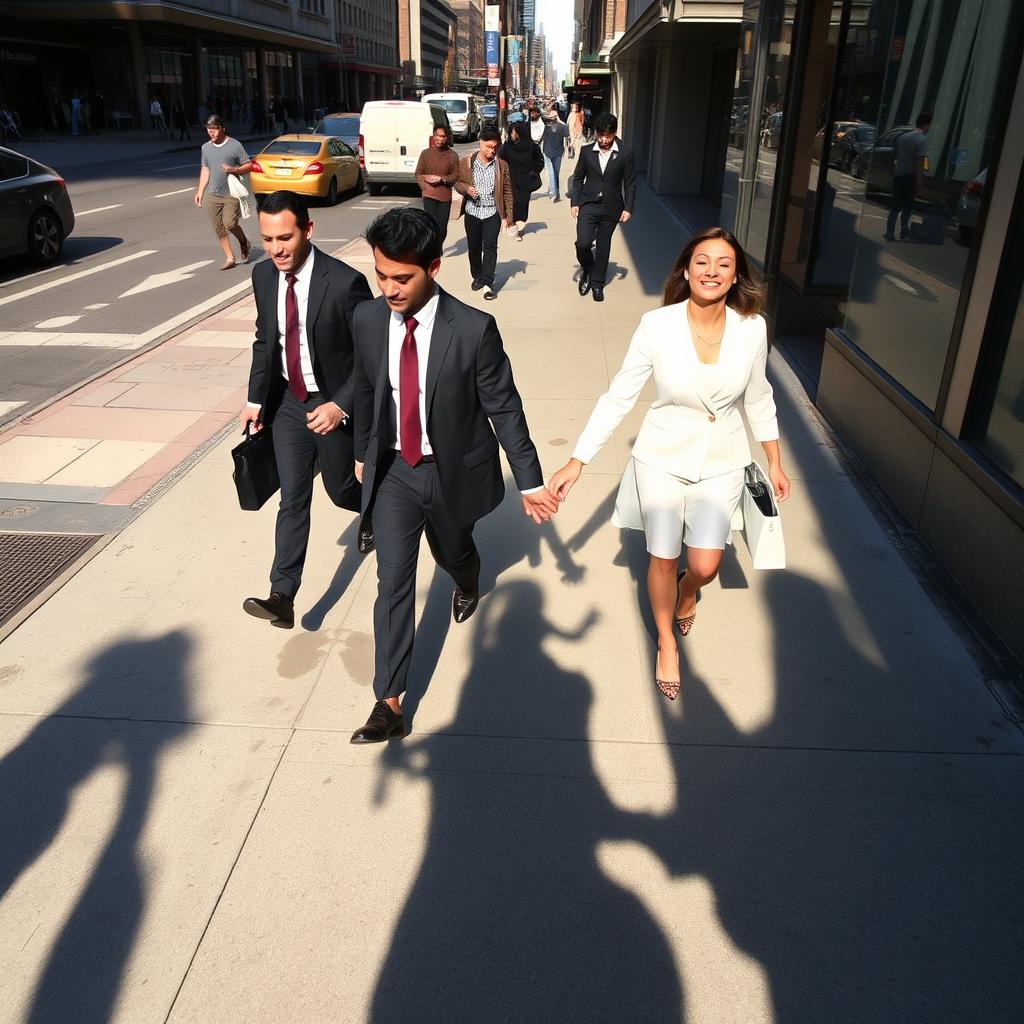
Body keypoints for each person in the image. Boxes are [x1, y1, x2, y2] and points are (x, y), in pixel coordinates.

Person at [549, 227, 791, 700]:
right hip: (660, 457)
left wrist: (774, 460)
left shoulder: (752, 327)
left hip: (722, 458)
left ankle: (687, 591)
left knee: (705, 563)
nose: (712, 272)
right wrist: (578, 460)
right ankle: (666, 643)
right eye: (702, 262)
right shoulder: (656, 325)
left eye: (723, 264)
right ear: (686, 268)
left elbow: (759, 397)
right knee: (663, 554)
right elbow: (620, 394)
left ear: (736, 273)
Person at [349, 207, 559, 743]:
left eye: (402, 277)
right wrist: (361, 453)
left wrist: (529, 480)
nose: (389, 289)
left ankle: (467, 578)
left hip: (451, 475)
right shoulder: (369, 321)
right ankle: (389, 702)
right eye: (381, 275)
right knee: (392, 581)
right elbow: (369, 390)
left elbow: (504, 409)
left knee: (454, 551)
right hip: (395, 470)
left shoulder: (472, 329)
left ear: (434, 267)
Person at [239, 191, 375, 629]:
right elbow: (267, 341)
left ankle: (385, 509)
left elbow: (373, 357)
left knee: (341, 492)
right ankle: (283, 593)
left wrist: (340, 405)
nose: (276, 249)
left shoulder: (344, 282)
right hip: (289, 408)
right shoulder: (263, 276)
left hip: (330, 404)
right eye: (267, 239)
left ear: (308, 230)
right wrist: (255, 399)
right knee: (292, 498)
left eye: (285, 237)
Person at [569, 111, 636, 303]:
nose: (604, 140)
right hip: (588, 204)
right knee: (582, 243)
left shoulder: (625, 152)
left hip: (612, 207)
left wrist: (628, 208)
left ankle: (597, 284)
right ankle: (588, 268)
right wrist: (575, 202)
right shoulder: (587, 151)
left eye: (608, 136)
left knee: (604, 245)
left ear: (614, 133)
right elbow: (578, 178)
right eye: (601, 136)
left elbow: (630, 183)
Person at [454, 127, 513, 300]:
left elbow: (507, 192)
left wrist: (507, 217)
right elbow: (457, 183)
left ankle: (487, 282)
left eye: (494, 147)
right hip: (472, 212)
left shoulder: (501, 166)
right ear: (480, 144)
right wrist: (466, 189)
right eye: (488, 146)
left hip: (491, 212)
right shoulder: (466, 162)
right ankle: (477, 275)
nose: (491, 150)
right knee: (474, 248)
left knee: (490, 247)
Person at [194, 114, 253, 270]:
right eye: (209, 129)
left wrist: (235, 169)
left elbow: (249, 165)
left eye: (215, 128)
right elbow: (205, 168)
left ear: (223, 128)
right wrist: (200, 190)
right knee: (218, 227)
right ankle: (229, 257)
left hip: (230, 194)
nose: (211, 132)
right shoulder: (205, 148)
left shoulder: (234, 145)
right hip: (212, 194)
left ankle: (243, 241)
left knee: (230, 223)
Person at [886, 113, 931, 242]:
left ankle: (890, 232)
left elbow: (896, 157)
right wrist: (919, 181)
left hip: (899, 174)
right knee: (908, 205)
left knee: (895, 205)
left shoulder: (903, 137)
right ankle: (904, 229)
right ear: (926, 125)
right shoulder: (921, 139)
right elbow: (919, 162)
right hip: (910, 176)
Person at [415, 124, 460, 246]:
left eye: (443, 136)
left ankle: (438, 245)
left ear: (447, 138)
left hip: (444, 196)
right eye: (437, 136)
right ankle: (432, 248)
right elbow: (418, 173)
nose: (440, 139)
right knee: (430, 224)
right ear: (433, 136)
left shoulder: (452, 155)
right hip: (429, 194)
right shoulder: (425, 153)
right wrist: (424, 187)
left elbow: (456, 175)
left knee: (442, 227)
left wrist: (442, 179)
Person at [499, 121, 544, 241]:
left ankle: (519, 225)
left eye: (516, 132)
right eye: (512, 132)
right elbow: (500, 161)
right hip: (511, 181)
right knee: (512, 203)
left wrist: (534, 172)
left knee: (522, 204)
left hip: (526, 181)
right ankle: (513, 228)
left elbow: (540, 161)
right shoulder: (507, 146)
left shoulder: (532, 146)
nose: (513, 135)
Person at [540, 108, 569, 202]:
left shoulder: (547, 127)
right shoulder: (562, 126)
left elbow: (543, 139)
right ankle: (555, 193)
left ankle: (554, 193)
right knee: (555, 173)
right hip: (555, 152)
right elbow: (566, 140)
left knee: (552, 173)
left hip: (551, 152)